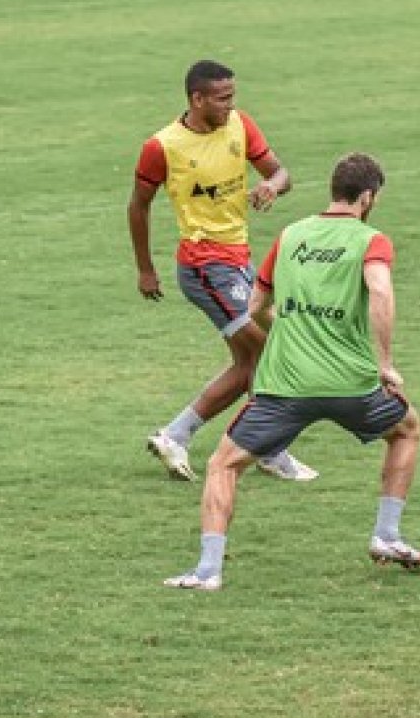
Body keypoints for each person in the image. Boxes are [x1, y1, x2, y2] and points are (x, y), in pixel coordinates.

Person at [164, 153, 420, 590]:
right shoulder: (371, 241)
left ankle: (208, 571)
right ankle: (386, 535)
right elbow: (379, 291)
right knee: (407, 431)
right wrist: (384, 363)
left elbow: (254, 306)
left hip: (283, 387)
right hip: (352, 385)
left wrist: (288, 331)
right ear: (367, 197)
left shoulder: (291, 236)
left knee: (223, 465)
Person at [128, 59, 317, 484]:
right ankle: (269, 449)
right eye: (222, 98)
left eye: (233, 95)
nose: (231, 104)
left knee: (250, 363)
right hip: (205, 267)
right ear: (197, 99)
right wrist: (145, 269)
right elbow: (137, 205)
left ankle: (175, 435)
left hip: (238, 261)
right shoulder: (163, 146)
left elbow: (281, 172)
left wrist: (272, 184)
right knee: (268, 353)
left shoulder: (240, 125)